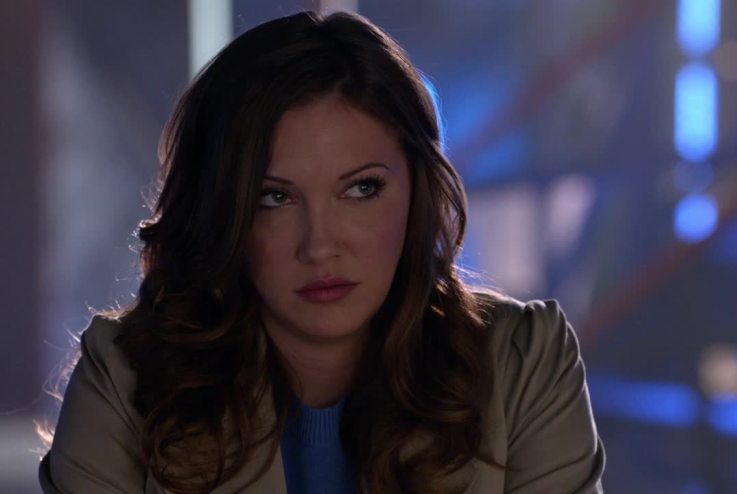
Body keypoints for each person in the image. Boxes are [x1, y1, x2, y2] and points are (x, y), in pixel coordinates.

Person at [38, 10, 605, 494]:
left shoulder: (523, 366)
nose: (321, 245)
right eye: (275, 198)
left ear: (419, 190)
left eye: (361, 189)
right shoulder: (128, 378)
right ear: (222, 211)